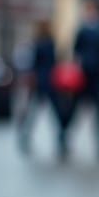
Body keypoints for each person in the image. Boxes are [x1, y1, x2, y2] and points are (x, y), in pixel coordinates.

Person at [58, 0, 99, 163]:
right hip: (83, 78)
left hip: (97, 78)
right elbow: (76, 52)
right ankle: (63, 137)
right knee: (74, 111)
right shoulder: (82, 31)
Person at [16, 20, 59, 154]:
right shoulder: (51, 43)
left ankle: (25, 137)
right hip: (50, 82)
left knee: (33, 112)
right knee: (54, 113)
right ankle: (61, 139)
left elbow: (32, 64)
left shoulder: (36, 43)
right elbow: (54, 62)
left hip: (38, 82)